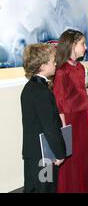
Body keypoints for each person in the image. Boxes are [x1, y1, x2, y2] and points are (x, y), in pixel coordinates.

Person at [53, 29, 88, 193]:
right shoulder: (62, 70)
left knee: (84, 155)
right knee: (72, 158)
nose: (85, 47)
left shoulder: (80, 68)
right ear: (72, 45)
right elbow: (59, 100)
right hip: (70, 120)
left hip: (83, 116)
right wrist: (63, 126)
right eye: (83, 44)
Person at [21, 44, 66, 193]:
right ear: (42, 65)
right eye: (53, 60)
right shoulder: (42, 92)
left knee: (33, 187)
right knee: (46, 188)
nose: (55, 63)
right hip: (44, 156)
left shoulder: (28, 88)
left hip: (32, 153)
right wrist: (60, 153)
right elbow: (50, 128)